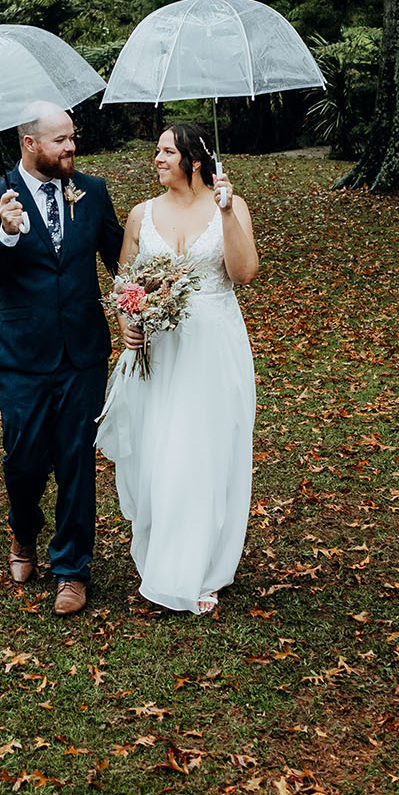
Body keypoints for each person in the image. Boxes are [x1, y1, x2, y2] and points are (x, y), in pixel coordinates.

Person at [96, 122, 258, 615]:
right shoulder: (141, 215)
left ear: (194, 159)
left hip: (214, 345)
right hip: (159, 351)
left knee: (206, 452)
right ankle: (163, 555)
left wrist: (228, 213)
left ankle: (199, 567)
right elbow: (126, 281)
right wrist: (127, 322)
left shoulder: (229, 205)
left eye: (167, 151)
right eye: (158, 151)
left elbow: (244, 273)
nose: (158, 158)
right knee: (159, 451)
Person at [0, 102, 123, 616]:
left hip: (83, 353)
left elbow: (120, 259)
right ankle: (23, 530)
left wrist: (147, 298)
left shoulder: (93, 192)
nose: (71, 148)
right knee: (25, 461)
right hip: (22, 358)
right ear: (30, 144)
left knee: (77, 459)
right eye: (60, 141)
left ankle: (72, 569)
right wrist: (7, 234)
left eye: (72, 137)